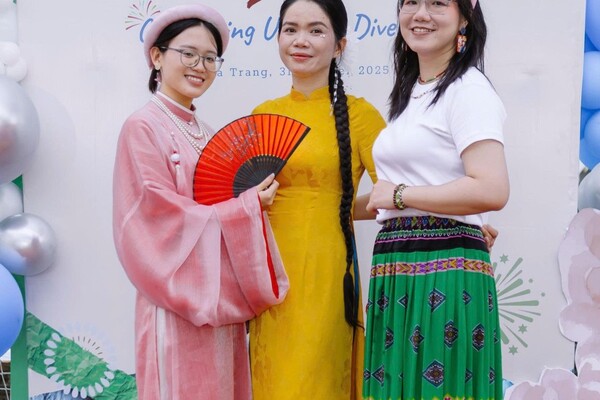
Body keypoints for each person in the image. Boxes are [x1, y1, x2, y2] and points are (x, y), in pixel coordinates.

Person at [112, 4, 289, 399]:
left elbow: (219, 209)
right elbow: (153, 217)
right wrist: (244, 209)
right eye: (188, 53)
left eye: (210, 58)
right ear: (157, 56)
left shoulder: (207, 132)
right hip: (173, 300)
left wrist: (250, 206)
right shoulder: (142, 126)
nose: (200, 66)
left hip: (219, 304)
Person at [363, 0, 509, 399]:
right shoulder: (413, 92)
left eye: (438, 3)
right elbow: (405, 191)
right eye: (411, 2)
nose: (421, 14)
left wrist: (399, 195)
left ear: (465, 18)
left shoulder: (469, 90)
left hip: (442, 270)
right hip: (398, 267)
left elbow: (492, 188)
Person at [247, 0, 387, 399]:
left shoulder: (361, 115)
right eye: (290, 29)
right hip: (268, 277)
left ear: (339, 45)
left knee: (315, 380)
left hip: (327, 273)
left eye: (316, 30)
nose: (300, 40)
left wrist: (464, 220)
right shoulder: (262, 114)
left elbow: (395, 194)